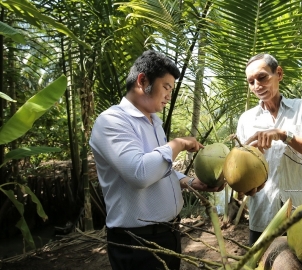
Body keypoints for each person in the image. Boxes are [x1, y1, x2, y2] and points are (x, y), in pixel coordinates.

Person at [89, 50, 223, 270]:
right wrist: (177, 144)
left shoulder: (154, 122)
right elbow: (139, 173)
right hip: (137, 243)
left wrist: (188, 181)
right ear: (143, 81)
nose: (169, 95)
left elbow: (158, 168)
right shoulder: (111, 121)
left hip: (169, 233)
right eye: (167, 87)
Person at [236, 53, 302, 246]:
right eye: (251, 81)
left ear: (278, 74)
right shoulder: (246, 120)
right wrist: (246, 181)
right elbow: (240, 180)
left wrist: (284, 135)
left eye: (262, 77)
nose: (257, 86)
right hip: (263, 216)